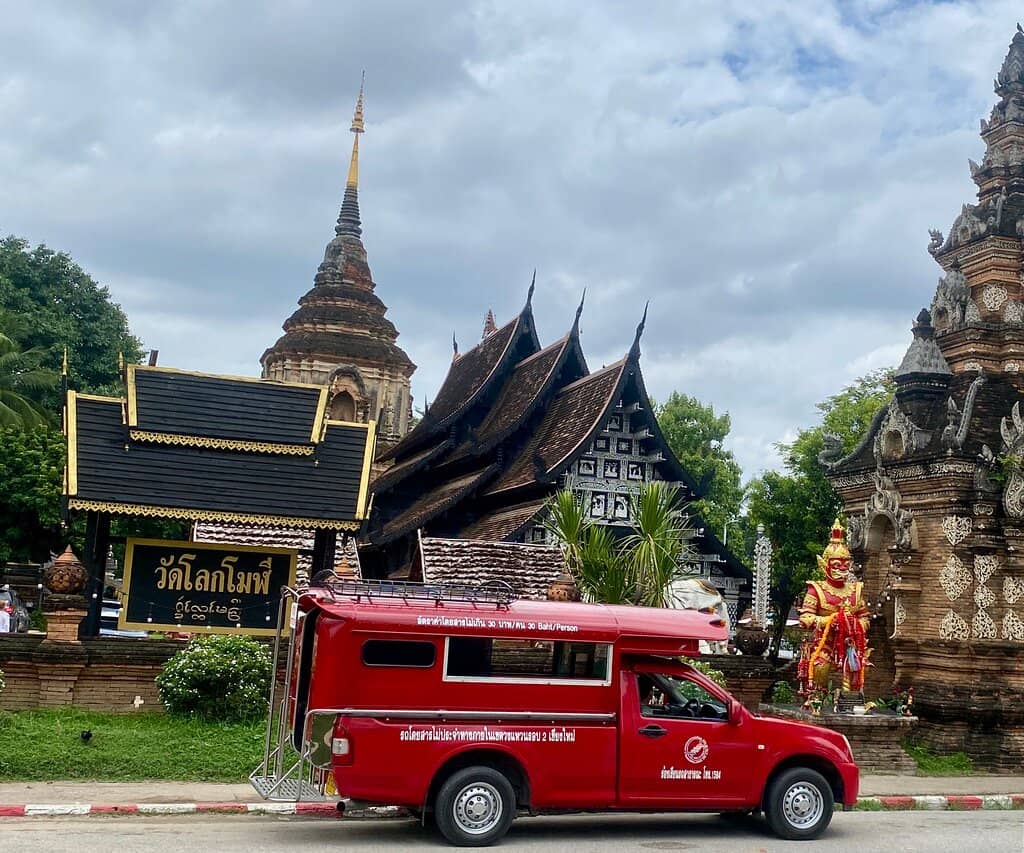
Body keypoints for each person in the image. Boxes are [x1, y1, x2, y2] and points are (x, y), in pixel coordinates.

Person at [797, 518, 870, 695]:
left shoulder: (855, 590)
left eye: (846, 565)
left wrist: (854, 623)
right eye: (837, 565)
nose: (842, 569)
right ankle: (817, 698)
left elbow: (865, 617)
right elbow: (805, 619)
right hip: (826, 642)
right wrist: (831, 620)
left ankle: (852, 698)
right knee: (820, 667)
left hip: (851, 641)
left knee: (862, 666)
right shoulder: (817, 589)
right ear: (826, 566)